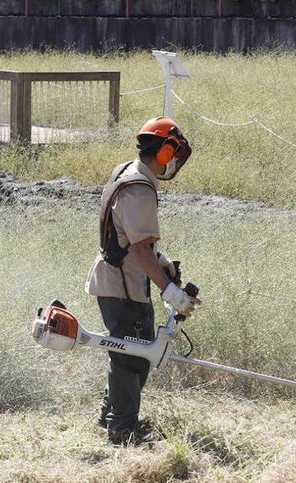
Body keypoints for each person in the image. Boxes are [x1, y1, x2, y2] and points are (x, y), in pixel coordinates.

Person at [85, 115, 201, 445]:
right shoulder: (140, 188)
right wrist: (170, 290)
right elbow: (137, 248)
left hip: (116, 278)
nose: (174, 162)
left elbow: (131, 240)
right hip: (123, 285)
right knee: (132, 357)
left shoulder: (126, 171)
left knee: (125, 351)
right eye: (173, 154)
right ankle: (122, 430)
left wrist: (162, 265)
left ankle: (110, 416)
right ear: (165, 152)